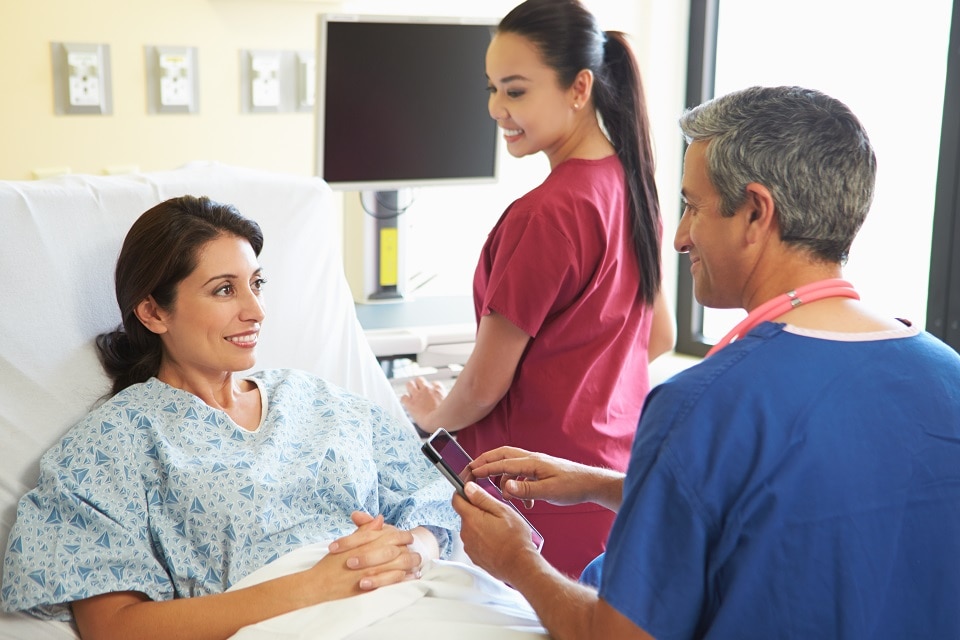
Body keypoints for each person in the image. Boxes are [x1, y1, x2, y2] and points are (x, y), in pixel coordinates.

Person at [450, 85, 960, 639]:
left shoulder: (706, 403)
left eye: (693, 206)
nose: (680, 237)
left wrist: (518, 561)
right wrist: (606, 484)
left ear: (755, 214)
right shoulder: (946, 375)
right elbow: (810, 505)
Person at [0, 196, 460, 640]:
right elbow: (114, 627)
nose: (256, 311)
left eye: (256, 284)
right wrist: (315, 586)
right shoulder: (109, 447)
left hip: (418, 597)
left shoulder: (316, 398)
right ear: (153, 312)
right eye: (225, 289)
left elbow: (435, 502)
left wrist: (409, 551)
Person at [400, 0, 675, 579]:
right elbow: (658, 338)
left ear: (580, 87)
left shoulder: (547, 214)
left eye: (516, 91)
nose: (497, 108)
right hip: (606, 485)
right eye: (492, 88)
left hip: (536, 494)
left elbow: (482, 386)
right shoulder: (629, 183)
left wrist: (433, 418)